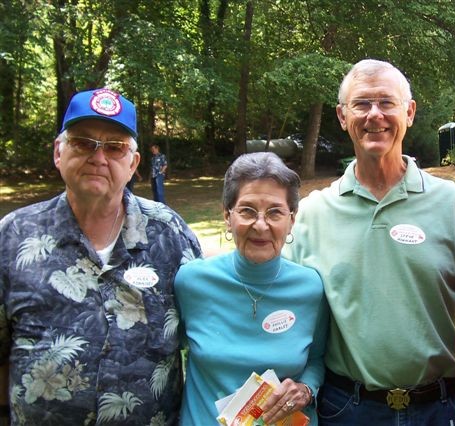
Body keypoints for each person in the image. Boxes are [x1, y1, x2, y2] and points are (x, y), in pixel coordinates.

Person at [283, 59, 455, 425]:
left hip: (441, 408)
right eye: (361, 104)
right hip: (348, 409)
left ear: (410, 112)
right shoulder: (312, 215)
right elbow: (283, 308)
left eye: (387, 102)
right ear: (343, 116)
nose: (375, 115)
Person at [0, 88, 202, 425]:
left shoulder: (170, 233)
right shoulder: (13, 236)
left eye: (114, 147)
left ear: (133, 164)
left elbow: (209, 334)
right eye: (83, 143)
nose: (98, 157)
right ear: (58, 152)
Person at [174, 152, 328, 425]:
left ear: (292, 220)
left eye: (275, 212)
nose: (260, 225)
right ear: (227, 215)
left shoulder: (310, 287)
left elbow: (317, 359)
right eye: (247, 210)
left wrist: (306, 389)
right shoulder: (191, 282)